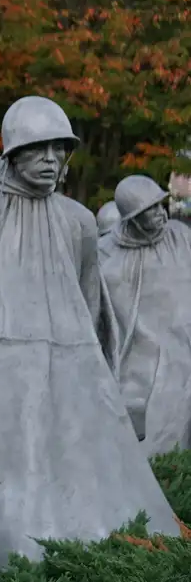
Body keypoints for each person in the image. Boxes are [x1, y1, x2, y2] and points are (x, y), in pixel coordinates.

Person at [0, 97, 180, 571]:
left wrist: (98, 384)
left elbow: (92, 310)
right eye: (38, 148)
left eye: (59, 149)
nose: (51, 160)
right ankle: (4, 558)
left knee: (71, 485)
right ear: (12, 153)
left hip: (68, 368)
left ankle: (69, 554)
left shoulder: (78, 223)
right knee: (5, 488)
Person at [99, 175, 191, 456]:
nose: (160, 214)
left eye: (160, 205)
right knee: (159, 444)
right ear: (132, 218)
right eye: (149, 210)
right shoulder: (106, 258)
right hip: (148, 372)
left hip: (185, 351)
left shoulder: (182, 237)